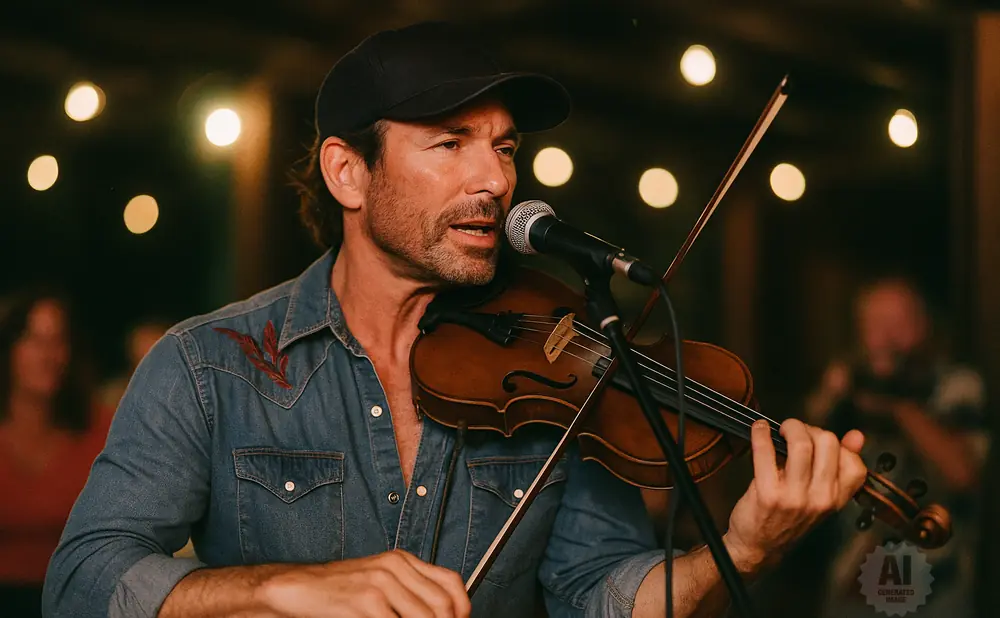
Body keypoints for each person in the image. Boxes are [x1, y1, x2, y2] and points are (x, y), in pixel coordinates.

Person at [42, 22, 868, 618]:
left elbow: (601, 593)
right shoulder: (209, 365)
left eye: (504, 148)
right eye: (449, 144)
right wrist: (279, 587)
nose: (494, 181)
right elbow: (81, 581)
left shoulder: (564, 363)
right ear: (349, 174)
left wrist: (747, 550)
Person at [805, 276, 987, 617]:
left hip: (937, 587)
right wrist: (831, 398)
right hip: (853, 583)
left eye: (898, 323)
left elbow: (963, 475)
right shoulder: (851, 391)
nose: (885, 338)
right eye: (874, 324)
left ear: (925, 327)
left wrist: (897, 406)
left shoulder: (955, 386)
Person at [0, 288, 107, 618]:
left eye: (58, 340)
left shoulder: (100, 427)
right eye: (33, 339)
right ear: (8, 349)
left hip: (77, 601)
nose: (48, 354)